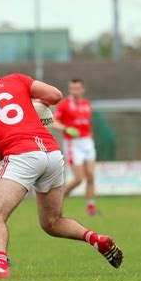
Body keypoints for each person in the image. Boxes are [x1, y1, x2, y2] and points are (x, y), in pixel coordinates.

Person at [0, 50, 123, 280]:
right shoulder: (16, 79)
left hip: (23, 156)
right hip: (52, 153)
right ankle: (95, 239)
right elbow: (55, 95)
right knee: (52, 223)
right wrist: (32, 103)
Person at [52, 79, 98, 215]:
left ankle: (91, 209)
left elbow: (88, 125)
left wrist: (91, 139)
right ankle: (57, 203)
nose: (74, 91)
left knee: (90, 176)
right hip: (73, 144)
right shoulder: (65, 104)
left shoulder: (86, 104)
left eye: (77, 88)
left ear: (82, 89)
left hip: (87, 142)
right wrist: (65, 128)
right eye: (72, 89)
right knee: (79, 178)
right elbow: (53, 121)